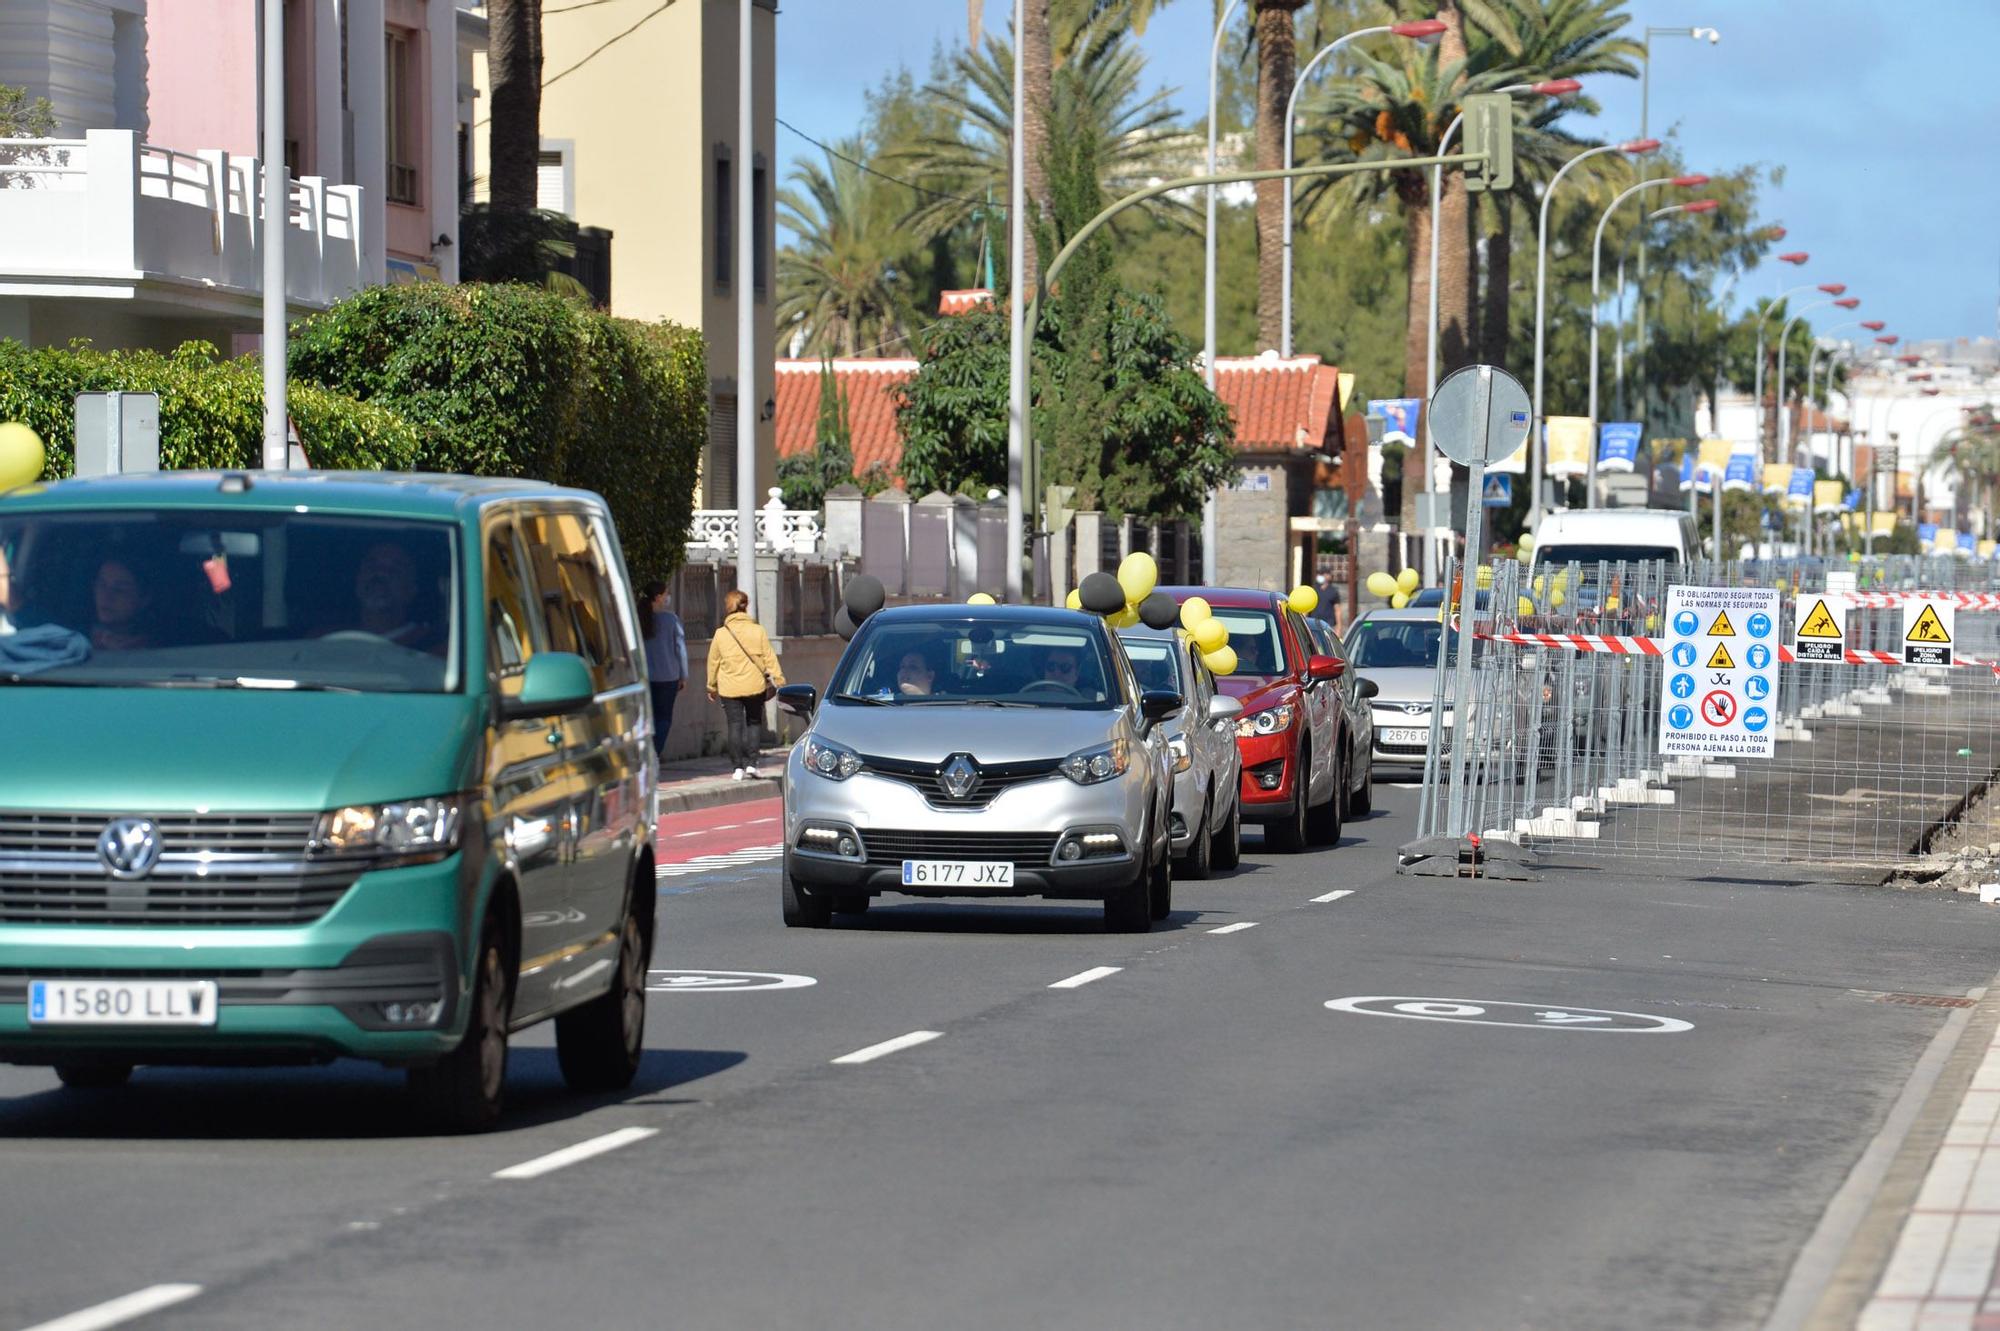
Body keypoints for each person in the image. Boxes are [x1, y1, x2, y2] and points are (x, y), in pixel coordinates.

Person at [707, 589, 785, 781]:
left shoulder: (721, 634)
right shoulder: (757, 631)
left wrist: (711, 686)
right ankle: (752, 763)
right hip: (754, 685)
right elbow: (769, 656)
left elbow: (713, 662)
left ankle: (737, 768)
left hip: (729, 687)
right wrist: (779, 678)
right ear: (746, 606)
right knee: (754, 723)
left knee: (734, 725)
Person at [350, 540, 441, 651]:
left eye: (395, 569)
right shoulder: (330, 641)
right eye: (371, 565)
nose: (380, 573)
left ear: (412, 589)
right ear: (357, 580)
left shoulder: (437, 647)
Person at [639, 581, 688, 763]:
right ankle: (654, 753)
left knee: (646, 718)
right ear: (658, 597)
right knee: (664, 718)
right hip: (668, 676)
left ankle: (644, 753)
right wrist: (684, 675)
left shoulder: (638, 619)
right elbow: (680, 648)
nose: (668, 597)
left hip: (644, 677)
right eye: (666, 593)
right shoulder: (671, 620)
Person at [89, 557, 153, 651]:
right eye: (102, 585)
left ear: (144, 599)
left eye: (120, 590)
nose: (106, 596)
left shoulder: (153, 653)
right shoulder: (71, 639)